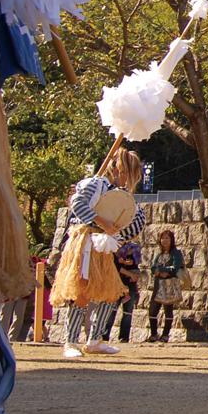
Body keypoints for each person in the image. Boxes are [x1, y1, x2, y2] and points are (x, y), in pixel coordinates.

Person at [50, 149, 147, 359]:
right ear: (118, 169)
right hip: (84, 241)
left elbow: (135, 220)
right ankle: (71, 341)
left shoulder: (120, 193)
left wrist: (117, 234)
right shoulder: (95, 184)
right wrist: (103, 222)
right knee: (81, 291)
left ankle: (95, 339)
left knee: (111, 292)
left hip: (104, 245)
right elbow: (76, 203)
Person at [147, 230, 185, 343]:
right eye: (163, 238)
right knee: (153, 310)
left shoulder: (176, 253)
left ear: (171, 240)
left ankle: (165, 335)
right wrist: (158, 271)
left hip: (170, 284)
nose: (165, 240)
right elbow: (153, 268)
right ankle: (154, 334)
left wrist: (163, 270)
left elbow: (175, 268)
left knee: (168, 309)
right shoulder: (159, 254)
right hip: (158, 284)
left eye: (167, 238)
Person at [100, 240, 142, 343]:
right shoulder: (113, 247)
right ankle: (105, 336)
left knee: (128, 311)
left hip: (130, 284)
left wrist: (132, 272)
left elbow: (135, 264)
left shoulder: (133, 247)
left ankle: (124, 337)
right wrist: (128, 272)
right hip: (116, 282)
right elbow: (115, 266)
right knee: (112, 310)